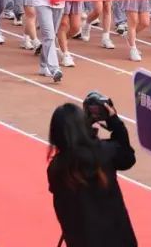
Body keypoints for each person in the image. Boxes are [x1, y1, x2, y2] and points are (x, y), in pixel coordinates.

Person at [47, 101, 138, 247]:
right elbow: (127, 158)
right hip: (118, 240)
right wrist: (114, 122)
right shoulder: (104, 152)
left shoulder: (55, 168)